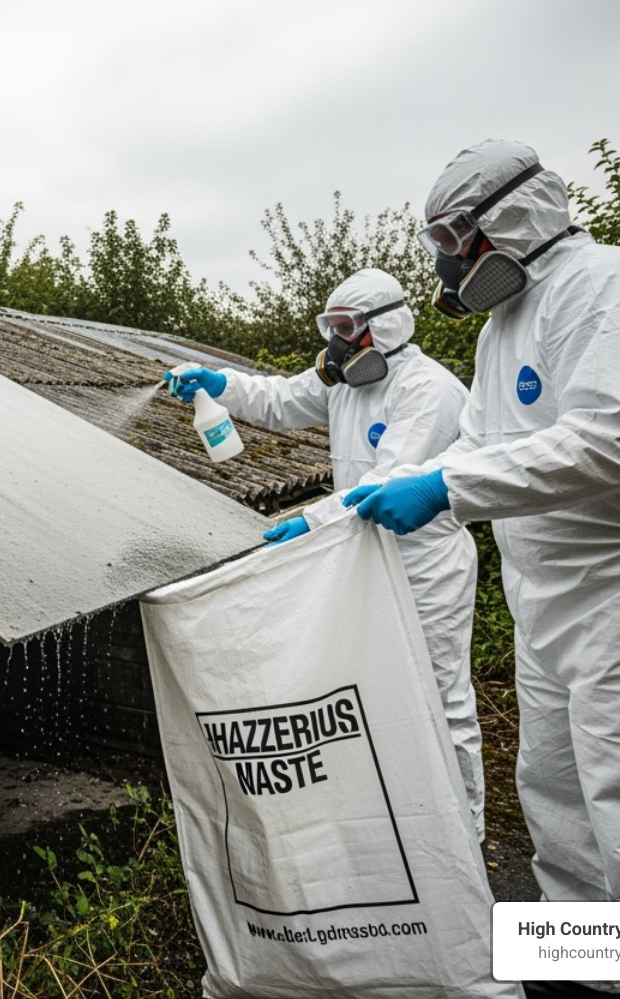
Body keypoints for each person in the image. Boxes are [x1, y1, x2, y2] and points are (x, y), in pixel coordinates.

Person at [349, 140, 620, 999]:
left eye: (449, 236)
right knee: (563, 810)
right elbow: (475, 448)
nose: (443, 260)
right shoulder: (504, 331)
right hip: (556, 607)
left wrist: (446, 487)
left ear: (504, 220)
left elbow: (612, 439)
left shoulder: (614, 283)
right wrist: (326, 522)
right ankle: (589, 981)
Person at [164, 269, 485, 838]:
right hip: (360, 554)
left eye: (345, 328)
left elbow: (392, 480)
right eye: (329, 326)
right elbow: (281, 399)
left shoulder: (428, 390)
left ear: (383, 327)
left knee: (439, 692)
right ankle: (400, 819)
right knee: (373, 683)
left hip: (425, 564)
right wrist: (220, 385)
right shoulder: (345, 383)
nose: (334, 343)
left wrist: (311, 521)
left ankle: (462, 830)